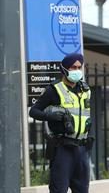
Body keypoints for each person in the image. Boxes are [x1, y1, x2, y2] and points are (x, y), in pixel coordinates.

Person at [29, 53, 92, 193]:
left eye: (79, 67)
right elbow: (34, 111)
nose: (77, 70)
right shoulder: (54, 89)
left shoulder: (85, 90)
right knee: (59, 189)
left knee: (82, 189)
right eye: (73, 67)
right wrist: (51, 116)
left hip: (81, 149)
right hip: (63, 148)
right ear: (64, 69)